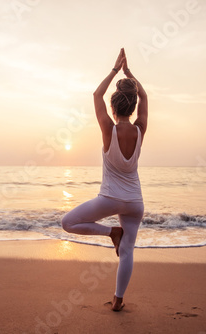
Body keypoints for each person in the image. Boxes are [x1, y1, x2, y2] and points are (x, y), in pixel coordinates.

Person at [61, 48, 148, 312]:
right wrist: (129, 75)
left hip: (110, 198)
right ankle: (118, 300)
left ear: (113, 107)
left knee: (68, 222)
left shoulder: (107, 129)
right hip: (135, 201)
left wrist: (115, 69)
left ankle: (112, 232)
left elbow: (96, 94)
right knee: (128, 251)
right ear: (133, 106)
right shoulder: (140, 129)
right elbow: (144, 96)